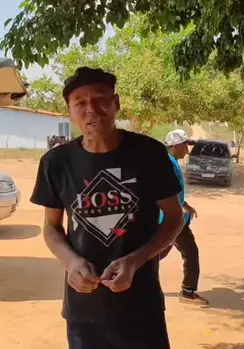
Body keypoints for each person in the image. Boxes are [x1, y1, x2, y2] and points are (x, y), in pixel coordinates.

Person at [30, 67, 185, 349]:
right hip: (83, 309)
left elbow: (175, 218)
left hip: (141, 306)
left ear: (116, 103)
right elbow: (51, 227)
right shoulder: (56, 162)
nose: (91, 110)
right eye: (80, 103)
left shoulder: (150, 154)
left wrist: (134, 261)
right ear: (70, 111)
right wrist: (71, 262)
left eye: (100, 99)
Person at [158, 129, 209, 307]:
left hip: (173, 219)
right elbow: (163, 192)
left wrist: (184, 204)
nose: (187, 150)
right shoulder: (167, 164)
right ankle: (188, 292)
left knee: (157, 253)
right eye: (185, 145)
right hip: (171, 220)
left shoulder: (171, 162)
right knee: (191, 253)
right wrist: (177, 210)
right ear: (175, 146)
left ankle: (133, 275)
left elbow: (174, 191)